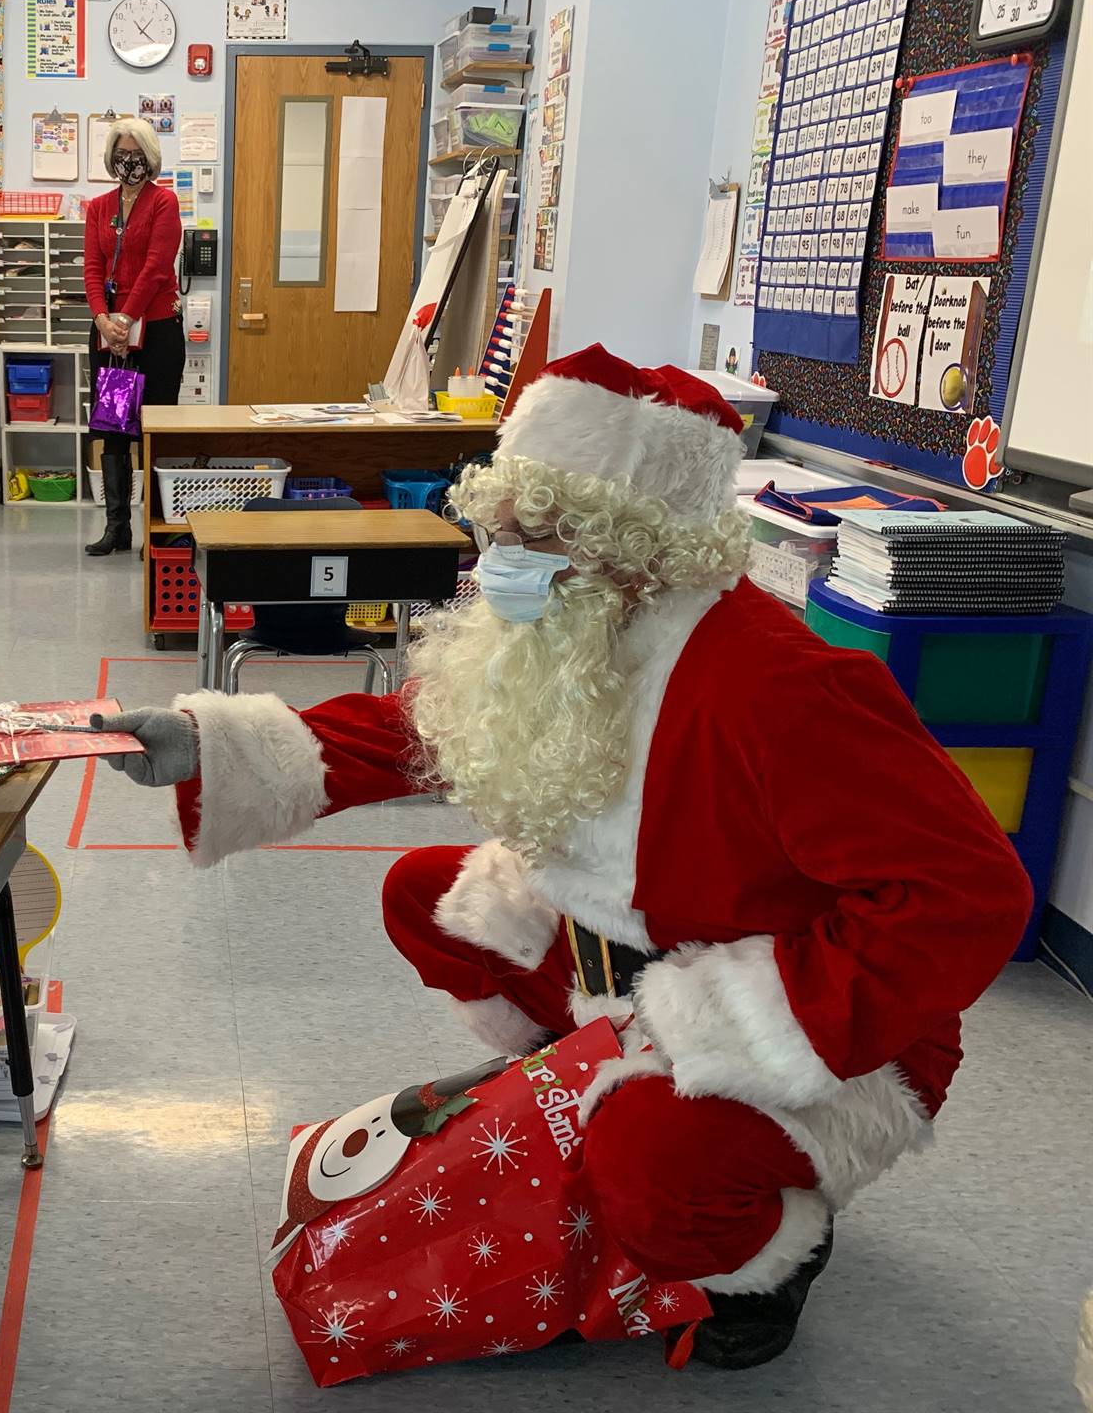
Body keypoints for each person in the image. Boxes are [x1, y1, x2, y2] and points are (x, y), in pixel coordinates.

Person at [91, 345, 1032, 1369]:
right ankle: (572, 1077)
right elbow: (411, 727)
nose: (500, 559)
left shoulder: (780, 688)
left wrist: (731, 1027)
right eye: (499, 527)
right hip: (622, 959)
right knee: (427, 895)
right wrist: (204, 742)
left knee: (650, 1162)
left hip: (809, 1016)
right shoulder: (571, 627)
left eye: (533, 537)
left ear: (634, 547)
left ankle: (769, 1254)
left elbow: (972, 894)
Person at [82, 116, 184, 557]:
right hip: (111, 338)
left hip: (156, 332)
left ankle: (155, 532)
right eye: (121, 156)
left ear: (150, 158)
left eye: (136, 156)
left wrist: (125, 317)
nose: (129, 163)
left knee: (154, 431)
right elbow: (90, 269)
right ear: (111, 159)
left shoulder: (164, 203)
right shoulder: (99, 208)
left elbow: (158, 267)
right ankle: (116, 528)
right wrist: (105, 320)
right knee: (116, 430)